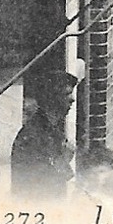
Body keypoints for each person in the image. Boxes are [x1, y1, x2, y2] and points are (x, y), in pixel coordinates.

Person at [9, 70, 80, 201]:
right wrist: (64, 160)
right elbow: (38, 185)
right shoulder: (32, 136)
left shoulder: (53, 132)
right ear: (51, 98)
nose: (73, 99)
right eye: (67, 94)